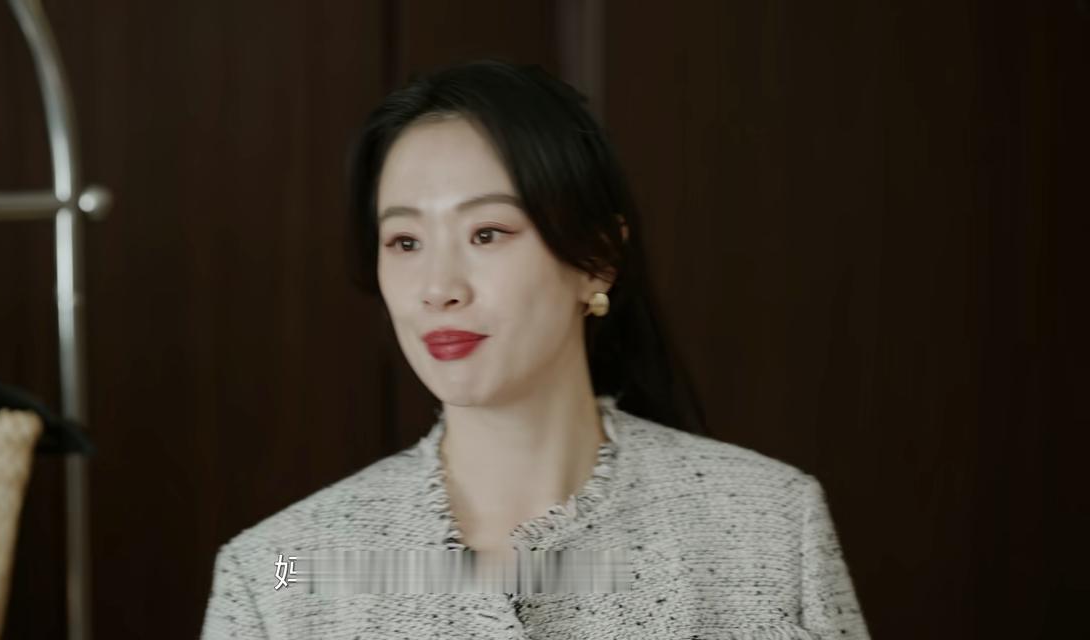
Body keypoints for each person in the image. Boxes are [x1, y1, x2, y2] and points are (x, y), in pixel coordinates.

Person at [201, 60, 868, 639]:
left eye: (487, 233)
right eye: (404, 242)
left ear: (597, 259)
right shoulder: (278, 571)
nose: (439, 288)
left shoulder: (768, 526)